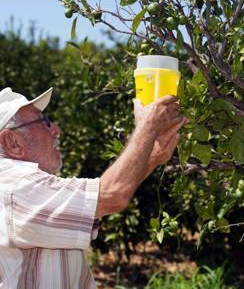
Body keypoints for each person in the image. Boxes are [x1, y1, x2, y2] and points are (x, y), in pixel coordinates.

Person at [0, 87, 187, 289]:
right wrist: (147, 126)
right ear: (13, 142)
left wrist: (153, 157)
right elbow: (110, 195)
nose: (55, 129)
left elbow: (97, 203)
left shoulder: (20, 187)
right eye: (43, 122)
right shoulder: (16, 188)